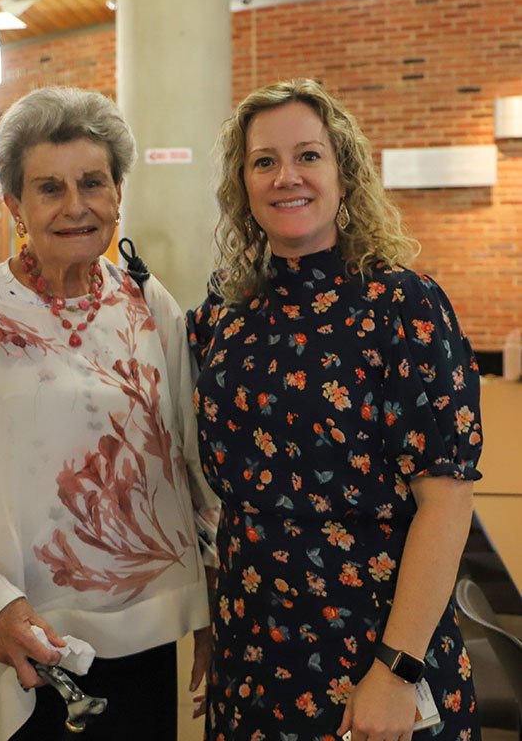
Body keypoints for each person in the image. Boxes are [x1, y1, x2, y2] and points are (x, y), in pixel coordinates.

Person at [0, 86, 220, 741]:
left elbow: (194, 466)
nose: (76, 206)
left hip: (146, 628)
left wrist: (216, 608)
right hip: (22, 633)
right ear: (14, 205)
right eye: (49, 188)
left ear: (117, 196)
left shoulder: (145, 299)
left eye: (93, 183)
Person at [187, 78, 482, 740]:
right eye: (264, 160)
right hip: (253, 650)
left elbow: (447, 501)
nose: (286, 176)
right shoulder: (227, 316)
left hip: (371, 651)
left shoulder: (402, 306)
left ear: (344, 173)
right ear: (243, 183)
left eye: (308, 156)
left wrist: (397, 669)